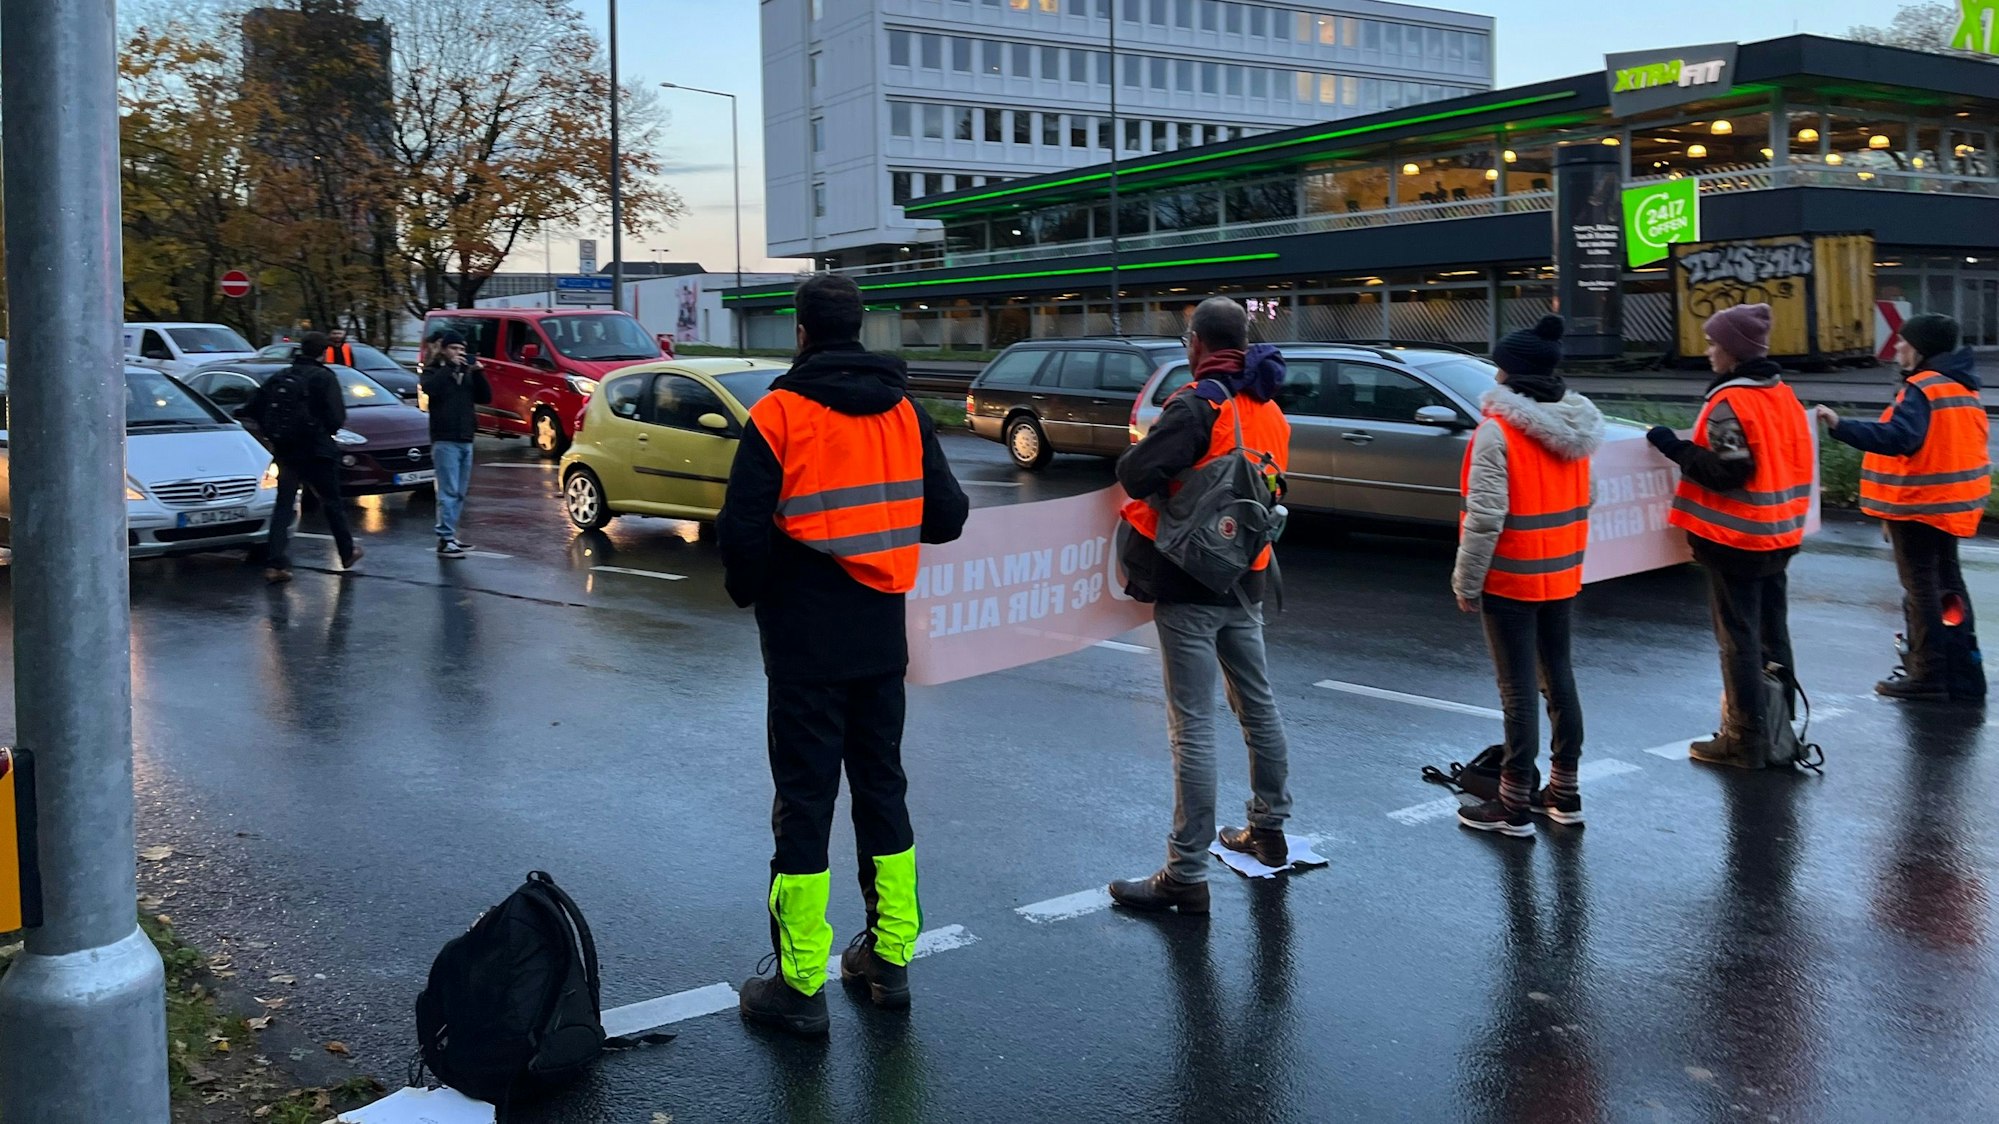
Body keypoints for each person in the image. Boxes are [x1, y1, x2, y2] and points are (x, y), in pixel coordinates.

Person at [718, 274, 968, 1037]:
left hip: (802, 643)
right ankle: (889, 960)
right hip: (877, 640)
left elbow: (742, 535)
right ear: (862, 328)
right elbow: (948, 516)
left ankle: (800, 986)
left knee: (804, 805)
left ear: (799, 332)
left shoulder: (780, 413)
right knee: (881, 791)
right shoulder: (903, 411)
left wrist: (755, 588)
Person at [1107, 296, 1294, 914]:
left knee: (1192, 726)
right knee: (1257, 706)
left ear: (1195, 342)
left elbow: (1136, 473)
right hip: (1249, 576)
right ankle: (1268, 829)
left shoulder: (1199, 403)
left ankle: (1184, 873)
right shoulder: (1269, 409)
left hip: (1191, 578)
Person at [1451, 315, 1603, 837]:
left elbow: (1485, 517)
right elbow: (1588, 497)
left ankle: (1512, 805)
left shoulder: (1498, 434)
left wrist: (1467, 582)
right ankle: (1564, 793)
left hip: (1511, 580)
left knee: (1516, 692)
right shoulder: (1577, 432)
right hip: (1561, 575)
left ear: (1509, 375)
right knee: (1559, 679)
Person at [1646, 304, 1816, 769]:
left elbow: (1727, 470)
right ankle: (1782, 735)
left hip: (1735, 540)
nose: (1708, 351)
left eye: (1714, 343)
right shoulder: (1782, 395)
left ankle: (1745, 740)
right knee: (1773, 636)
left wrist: (1672, 446)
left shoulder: (1729, 403)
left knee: (1739, 640)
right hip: (1780, 535)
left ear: (1733, 352)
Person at [1817, 313, 1989, 702]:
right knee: (1949, 589)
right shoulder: (1961, 387)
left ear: (1920, 348)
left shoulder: (1922, 388)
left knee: (1921, 590)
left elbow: (1899, 437)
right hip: (1950, 506)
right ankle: (1963, 673)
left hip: (1917, 506)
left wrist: (1840, 424)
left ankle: (1928, 674)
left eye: (1902, 341)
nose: (1896, 347)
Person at [239, 331, 361, 582]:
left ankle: (275, 564)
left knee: (284, 506)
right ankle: (347, 552)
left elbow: (251, 408)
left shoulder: (281, 376)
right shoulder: (324, 378)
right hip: (317, 451)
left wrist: (273, 434)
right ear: (323, 352)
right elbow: (337, 417)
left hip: (286, 451)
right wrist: (322, 432)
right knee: (331, 502)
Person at [420, 331, 491, 558]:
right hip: (444, 438)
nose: (459, 354)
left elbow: (485, 397)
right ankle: (445, 538)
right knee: (448, 491)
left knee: (459, 492)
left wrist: (478, 373)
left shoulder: (466, 373)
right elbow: (431, 389)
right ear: (443, 350)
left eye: (462, 350)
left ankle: (451, 535)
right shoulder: (433, 371)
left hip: (465, 437)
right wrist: (449, 368)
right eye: (454, 349)